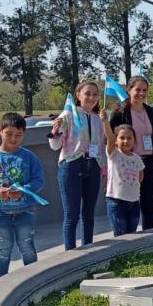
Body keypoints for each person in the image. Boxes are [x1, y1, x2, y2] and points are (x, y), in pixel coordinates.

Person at [0, 113, 45, 278]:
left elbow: (39, 180)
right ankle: (0, 282)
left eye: (19, 135)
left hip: (25, 211)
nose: (14, 138)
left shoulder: (29, 157)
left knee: (27, 246)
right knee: (3, 248)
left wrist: (24, 189)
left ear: (24, 134)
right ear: (0, 131)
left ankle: (34, 281)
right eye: (9, 134)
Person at [48, 79, 104, 249]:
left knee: (89, 214)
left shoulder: (98, 118)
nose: (91, 97)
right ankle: (70, 252)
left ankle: (88, 247)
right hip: (72, 165)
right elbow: (55, 146)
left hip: (92, 165)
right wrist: (55, 132)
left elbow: (101, 146)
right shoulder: (68, 115)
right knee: (72, 215)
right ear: (78, 95)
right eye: (87, 93)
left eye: (95, 94)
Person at [109, 75, 153, 230]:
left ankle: (149, 238)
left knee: (148, 207)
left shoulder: (151, 112)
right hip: (128, 163)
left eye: (144, 90)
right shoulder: (120, 112)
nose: (141, 93)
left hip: (148, 163)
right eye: (137, 89)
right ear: (128, 90)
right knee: (129, 205)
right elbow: (110, 139)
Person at [100, 109, 144, 236]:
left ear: (134, 140)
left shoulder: (137, 158)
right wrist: (105, 122)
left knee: (132, 234)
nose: (126, 141)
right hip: (116, 201)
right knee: (120, 235)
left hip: (134, 201)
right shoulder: (114, 154)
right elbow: (108, 137)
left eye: (129, 138)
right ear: (116, 140)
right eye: (122, 138)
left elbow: (140, 176)